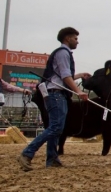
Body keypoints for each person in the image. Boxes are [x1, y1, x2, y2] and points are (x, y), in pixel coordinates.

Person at [17, 27, 90, 171]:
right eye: (75, 38)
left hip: (53, 93)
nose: (77, 41)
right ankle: (27, 153)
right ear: (67, 38)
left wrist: (80, 75)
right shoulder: (63, 53)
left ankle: (52, 158)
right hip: (56, 94)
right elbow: (64, 76)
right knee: (56, 127)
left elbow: (60, 76)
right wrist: (78, 91)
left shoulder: (60, 53)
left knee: (55, 127)